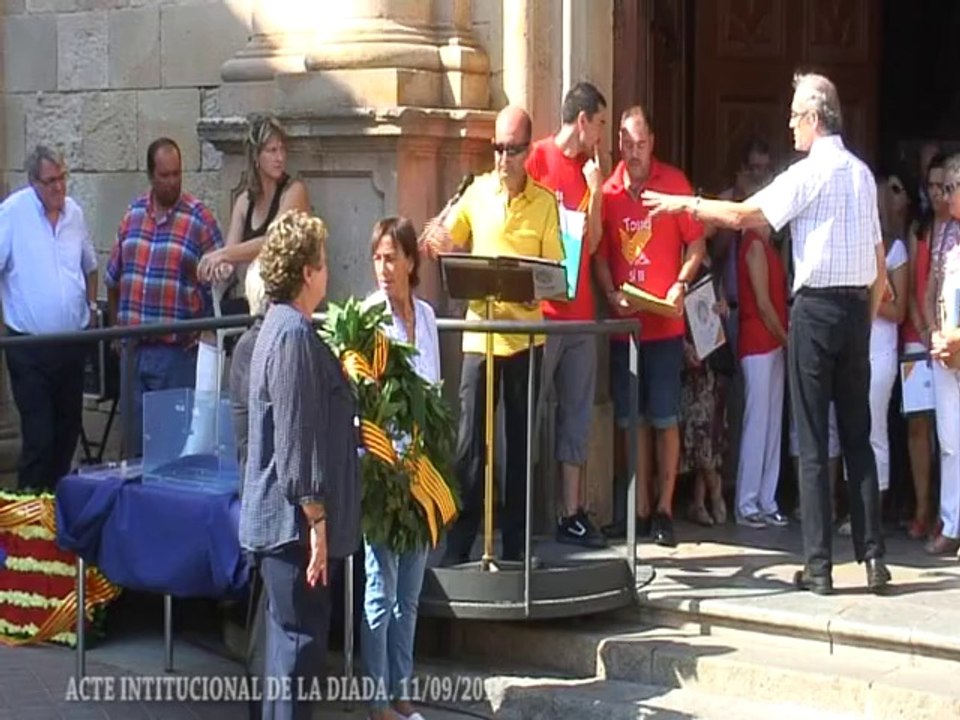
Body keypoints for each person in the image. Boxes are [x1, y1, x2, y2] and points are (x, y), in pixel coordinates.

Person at [642, 72, 891, 594]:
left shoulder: (808, 173)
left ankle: (819, 568)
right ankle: (873, 560)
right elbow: (878, 268)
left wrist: (686, 204)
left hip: (818, 310)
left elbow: (740, 214)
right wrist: (864, 323)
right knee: (856, 437)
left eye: (796, 115)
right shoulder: (864, 176)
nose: (791, 124)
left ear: (815, 118)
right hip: (852, 312)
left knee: (809, 436)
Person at [422, 106, 564, 564]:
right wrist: (438, 239)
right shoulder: (477, 192)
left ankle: (519, 548)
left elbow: (555, 278)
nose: (503, 159)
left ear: (527, 150)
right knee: (469, 447)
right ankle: (462, 543)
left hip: (525, 339)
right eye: (497, 149)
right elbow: (444, 241)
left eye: (512, 150)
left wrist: (528, 288)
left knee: (520, 447)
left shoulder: (544, 203)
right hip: (480, 339)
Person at [240, 209, 361, 720]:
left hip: (288, 528)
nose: (328, 272)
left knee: (288, 660)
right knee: (297, 658)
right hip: (291, 533)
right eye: (324, 262)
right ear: (307, 272)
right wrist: (316, 523)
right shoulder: (290, 335)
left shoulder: (287, 327)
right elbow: (295, 437)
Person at [593, 104, 706, 547]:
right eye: (627, 143)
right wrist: (609, 294)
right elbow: (600, 254)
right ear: (618, 144)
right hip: (625, 328)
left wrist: (681, 283)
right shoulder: (610, 190)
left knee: (664, 419)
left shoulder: (673, 185)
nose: (635, 151)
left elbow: (695, 244)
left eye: (641, 143)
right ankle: (636, 510)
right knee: (629, 421)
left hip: (664, 327)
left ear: (652, 142)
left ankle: (663, 509)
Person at [361, 217, 440, 720]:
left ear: (411, 262)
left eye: (392, 258)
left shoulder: (428, 316)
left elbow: (433, 387)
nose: (384, 269)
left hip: (421, 468)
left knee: (409, 591)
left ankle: (401, 688)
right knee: (379, 585)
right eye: (378, 258)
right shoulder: (369, 317)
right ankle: (375, 699)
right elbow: (364, 397)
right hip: (381, 467)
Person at [525, 81, 607, 548]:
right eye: (598, 123)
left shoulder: (589, 171)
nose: (600, 134)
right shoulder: (537, 158)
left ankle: (571, 512)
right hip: (542, 310)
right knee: (530, 410)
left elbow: (593, 242)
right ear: (582, 121)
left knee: (576, 414)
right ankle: (523, 507)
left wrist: (595, 191)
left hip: (580, 312)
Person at [105, 138, 224, 458]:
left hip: (175, 353)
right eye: (165, 175)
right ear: (150, 175)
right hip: (132, 350)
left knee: (169, 452)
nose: (172, 182)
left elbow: (223, 286)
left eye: (177, 174)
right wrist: (117, 331)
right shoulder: (132, 216)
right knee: (133, 449)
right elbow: (113, 277)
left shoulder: (199, 220)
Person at [0, 146, 97, 491]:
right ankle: (27, 520)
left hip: (70, 345)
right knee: (40, 437)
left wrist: (90, 310)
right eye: (51, 181)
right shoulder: (12, 214)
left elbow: (90, 266)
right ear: (34, 183)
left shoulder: (74, 214)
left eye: (63, 178)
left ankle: (55, 514)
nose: (59, 187)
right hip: (30, 348)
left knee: (67, 432)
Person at [197, 114, 310, 303]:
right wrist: (220, 267)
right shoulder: (244, 201)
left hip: (288, 298)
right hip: (254, 300)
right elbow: (232, 254)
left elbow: (273, 241)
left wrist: (222, 254)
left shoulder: (294, 191)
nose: (280, 157)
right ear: (256, 156)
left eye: (282, 149)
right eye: (272, 151)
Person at [903, 154, 946, 540]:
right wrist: (922, 327)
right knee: (918, 426)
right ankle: (921, 506)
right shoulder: (921, 228)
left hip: (949, 340)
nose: (936, 194)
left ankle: (948, 512)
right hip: (917, 338)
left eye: (942, 186)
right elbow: (915, 291)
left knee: (950, 433)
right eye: (931, 187)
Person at [734, 223, 789, 528]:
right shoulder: (754, 244)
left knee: (771, 424)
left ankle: (767, 499)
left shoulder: (768, 246)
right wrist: (786, 338)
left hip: (772, 342)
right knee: (757, 423)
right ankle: (747, 501)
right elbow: (763, 303)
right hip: (758, 341)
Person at [924, 154, 960, 556]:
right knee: (950, 441)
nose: (945, 197)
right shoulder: (945, 233)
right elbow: (934, 287)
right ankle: (952, 523)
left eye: (952, 188)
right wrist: (936, 333)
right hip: (945, 353)